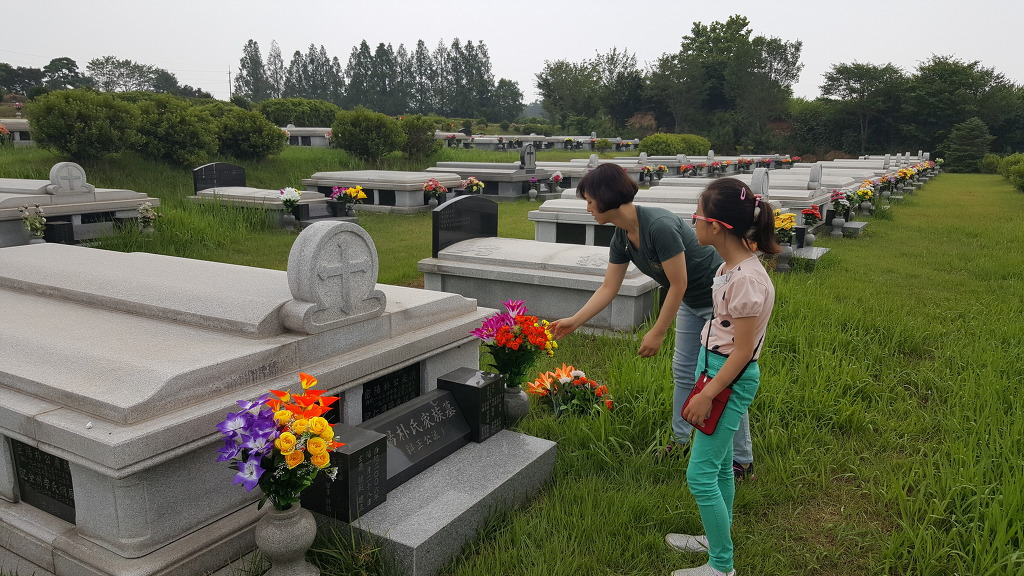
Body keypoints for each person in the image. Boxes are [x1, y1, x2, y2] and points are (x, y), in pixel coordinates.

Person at [549, 164, 755, 480]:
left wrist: (657, 332)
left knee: (721, 378)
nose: (588, 208)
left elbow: (679, 283)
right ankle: (680, 441)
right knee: (683, 372)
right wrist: (574, 321)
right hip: (690, 303)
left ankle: (741, 459)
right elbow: (609, 287)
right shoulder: (622, 236)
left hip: (720, 302)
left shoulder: (658, 226)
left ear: (606, 197)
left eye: (589, 200)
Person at [667, 177, 779, 576]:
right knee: (717, 467)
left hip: (728, 381)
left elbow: (743, 352)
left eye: (696, 216)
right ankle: (716, 537)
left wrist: (707, 394)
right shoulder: (730, 267)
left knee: (699, 475)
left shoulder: (746, 279)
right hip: (714, 371)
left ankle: (721, 566)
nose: (692, 222)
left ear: (715, 226)